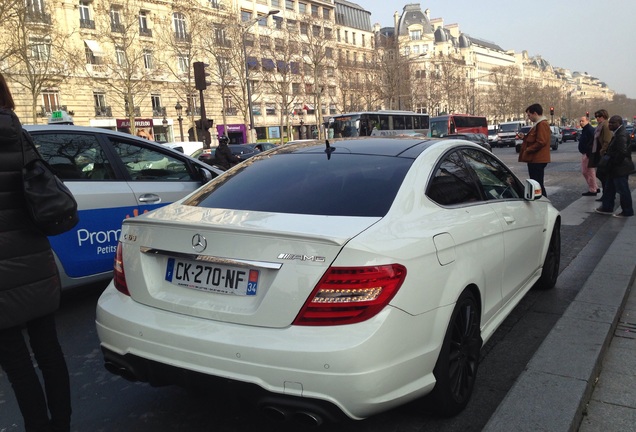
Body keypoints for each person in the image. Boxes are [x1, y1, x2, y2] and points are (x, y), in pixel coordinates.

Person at [0, 73, 72, 432]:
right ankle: (61, 425)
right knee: (49, 352)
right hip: (34, 258)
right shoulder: (18, 133)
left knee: (16, 364)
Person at [595, 115, 634, 217]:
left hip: (620, 168)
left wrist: (614, 162)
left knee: (623, 190)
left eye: (612, 123)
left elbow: (622, 152)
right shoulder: (618, 133)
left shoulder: (621, 135)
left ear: (619, 123)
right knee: (609, 189)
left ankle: (627, 211)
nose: (610, 125)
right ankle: (606, 208)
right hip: (615, 168)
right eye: (610, 123)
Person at [518, 103, 551, 196]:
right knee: (536, 182)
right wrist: (524, 137)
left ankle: (542, 200)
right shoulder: (538, 124)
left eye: (529, 115)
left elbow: (541, 141)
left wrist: (528, 149)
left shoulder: (542, 124)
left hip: (537, 159)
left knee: (537, 183)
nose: (529, 117)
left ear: (535, 113)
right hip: (535, 159)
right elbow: (535, 139)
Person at [591, 109, 613, 202]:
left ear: (604, 116)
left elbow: (607, 140)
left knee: (602, 174)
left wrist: (602, 151)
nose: (597, 118)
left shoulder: (605, 125)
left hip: (603, 153)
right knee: (601, 175)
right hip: (599, 152)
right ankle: (606, 194)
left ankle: (607, 195)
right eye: (596, 117)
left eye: (599, 116)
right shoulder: (600, 125)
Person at [578, 116, 599, 196]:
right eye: (580, 121)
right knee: (588, 171)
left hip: (587, 154)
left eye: (582, 121)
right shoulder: (587, 129)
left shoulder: (589, 130)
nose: (581, 123)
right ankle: (594, 187)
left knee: (588, 172)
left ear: (587, 121)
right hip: (586, 153)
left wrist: (588, 152)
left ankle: (593, 189)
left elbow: (593, 142)